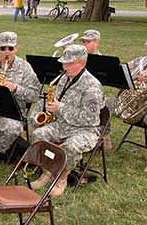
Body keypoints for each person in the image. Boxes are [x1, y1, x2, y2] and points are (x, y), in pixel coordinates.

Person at [30, 44, 104, 196]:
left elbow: (89, 119)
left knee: (70, 146)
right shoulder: (64, 78)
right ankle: (48, 172)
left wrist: (60, 108)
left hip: (85, 130)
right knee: (38, 136)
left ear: (82, 63)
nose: (64, 66)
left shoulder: (92, 87)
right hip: (62, 124)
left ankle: (62, 177)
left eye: (69, 63)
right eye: (63, 62)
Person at [0, 32, 41, 169]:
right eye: (3, 48)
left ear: (17, 48)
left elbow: (35, 95)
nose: (6, 52)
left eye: (10, 48)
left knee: (11, 128)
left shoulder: (25, 68)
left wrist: (16, 89)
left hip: (13, 112)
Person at [109, 24, 147, 174]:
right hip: (133, 106)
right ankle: (104, 140)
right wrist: (132, 78)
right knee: (104, 104)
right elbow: (122, 70)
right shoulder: (141, 62)